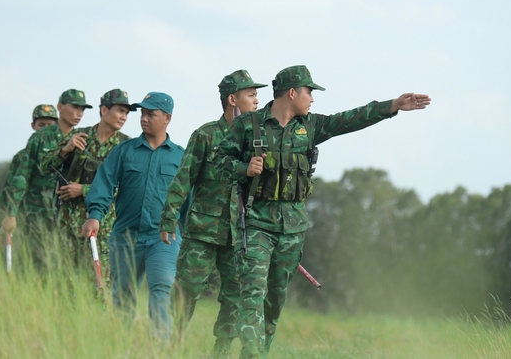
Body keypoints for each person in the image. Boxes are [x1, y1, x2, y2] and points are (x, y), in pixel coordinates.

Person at [213, 65, 431, 358]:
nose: (313, 98)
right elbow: (217, 161)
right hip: (256, 225)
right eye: (309, 91)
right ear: (292, 93)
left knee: (273, 303)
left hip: (292, 230)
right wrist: (243, 167)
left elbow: (349, 120)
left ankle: (258, 352)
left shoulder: (310, 127)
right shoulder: (248, 125)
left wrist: (393, 106)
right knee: (252, 295)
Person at [160, 70, 267, 358]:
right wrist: (169, 216)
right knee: (187, 290)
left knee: (233, 296)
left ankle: (221, 350)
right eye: (251, 94)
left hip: (239, 233)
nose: (257, 99)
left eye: (257, 94)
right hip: (202, 230)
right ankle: (174, 342)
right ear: (233, 99)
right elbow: (184, 177)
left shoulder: (257, 139)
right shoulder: (206, 135)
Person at [80, 92, 189, 338]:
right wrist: (95, 214)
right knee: (122, 296)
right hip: (125, 238)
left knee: (162, 289)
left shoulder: (180, 157)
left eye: (151, 114)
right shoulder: (124, 151)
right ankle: (121, 347)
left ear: (167, 118)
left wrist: (189, 234)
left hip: (164, 239)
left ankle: (161, 350)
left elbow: (189, 201)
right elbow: (104, 183)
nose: (144, 119)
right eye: (142, 113)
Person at [39, 89, 135, 276]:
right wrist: (65, 150)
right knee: (64, 279)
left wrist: (83, 190)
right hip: (69, 223)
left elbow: (128, 188)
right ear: (104, 110)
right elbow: (44, 167)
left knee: (100, 281)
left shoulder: (126, 147)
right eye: (120, 111)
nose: (124, 117)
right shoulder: (79, 136)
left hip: (104, 226)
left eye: (126, 113)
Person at [1, 89, 92, 237]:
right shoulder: (40, 138)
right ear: (60, 107)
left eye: (82, 109)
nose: (80, 113)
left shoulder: (83, 139)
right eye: (75, 107)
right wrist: (11, 213)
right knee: (37, 259)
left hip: (69, 217)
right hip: (37, 215)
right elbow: (22, 177)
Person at [0, 104, 58, 217]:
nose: (45, 129)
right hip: (30, 216)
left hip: (58, 216)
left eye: (50, 125)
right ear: (33, 126)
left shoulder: (66, 153)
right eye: (41, 125)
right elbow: (9, 189)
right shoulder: (22, 156)